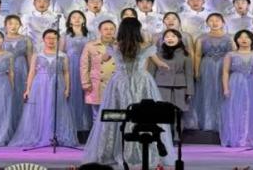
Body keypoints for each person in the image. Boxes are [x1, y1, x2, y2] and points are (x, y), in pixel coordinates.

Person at [82, 18, 174, 167]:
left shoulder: (116, 46)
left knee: (119, 115)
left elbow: (104, 59)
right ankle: (143, 151)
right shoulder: (145, 45)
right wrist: (164, 65)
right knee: (143, 115)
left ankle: (111, 151)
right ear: (137, 30)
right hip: (141, 82)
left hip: (120, 83)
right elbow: (158, 62)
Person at [9, 30, 78, 147]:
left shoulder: (63, 55)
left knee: (56, 109)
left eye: (54, 38)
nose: (51, 40)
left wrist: (67, 88)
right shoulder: (37, 55)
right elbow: (32, 72)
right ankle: (40, 135)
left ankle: (55, 136)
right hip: (40, 85)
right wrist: (28, 89)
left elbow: (66, 72)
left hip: (57, 84)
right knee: (41, 109)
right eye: (48, 38)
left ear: (58, 40)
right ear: (43, 39)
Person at [219, 30, 253, 147]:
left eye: (247, 37)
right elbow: (225, 72)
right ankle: (237, 137)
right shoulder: (230, 55)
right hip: (236, 83)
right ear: (236, 40)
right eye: (241, 37)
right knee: (236, 109)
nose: (244, 40)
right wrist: (226, 88)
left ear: (252, 40)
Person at [192, 13, 232, 131]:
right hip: (207, 66)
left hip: (224, 67)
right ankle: (208, 122)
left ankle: (224, 123)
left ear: (223, 23)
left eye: (217, 20)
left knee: (223, 92)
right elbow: (198, 55)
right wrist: (196, 71)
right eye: (211, 20)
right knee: (207, 93)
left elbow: (233, 54)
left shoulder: (229, 38)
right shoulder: (201, 38)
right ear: (207, 23)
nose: (214, 23)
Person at [151, 29, 194, 125]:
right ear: (163, 40)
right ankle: (164, 132)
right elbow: (151, 72)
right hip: (161, 86)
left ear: (179, 39)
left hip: (180, 87)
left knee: (178, 112)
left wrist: (190, 91)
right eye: (167, 37)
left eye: (173, 36)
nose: (170, 39)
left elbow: (189, 74)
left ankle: (177, 131)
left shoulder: (185, 54)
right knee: (161, 111)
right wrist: (150, 88)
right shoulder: (157, 54)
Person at [2, 15, 34, 135]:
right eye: (10, 23)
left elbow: (30, 57)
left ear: (20, 25)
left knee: (21, 96)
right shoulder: (1, 38)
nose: (13, 26)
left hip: (22, 69)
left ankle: (22, 128)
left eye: (16, 23)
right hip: (5, 70)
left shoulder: (26, 39)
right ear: (5, 25)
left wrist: (31, 74)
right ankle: (6, 127)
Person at [81, 20, 118, 120]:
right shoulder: (90, 45)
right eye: (105, 29)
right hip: (96, 83)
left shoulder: (120, 44)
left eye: (111, 29)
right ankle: (97, 131)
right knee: (97, 115)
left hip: (115, 83)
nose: (109, 31)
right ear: (100, 31)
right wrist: (85, 82)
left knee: (114, 114)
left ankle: (111, 131)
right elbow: (84, 65)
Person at [65, 10, 94, 132]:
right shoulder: (65, 35)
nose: (77, 19)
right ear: (69, 21)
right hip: (71, 67)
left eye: (79, 17)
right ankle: (74, 126)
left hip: (88, 67)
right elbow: (61, 53)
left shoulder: (91, 35)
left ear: (84, 20)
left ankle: (87, 126)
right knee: (73, 94)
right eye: (73, 17)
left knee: (87, 94)